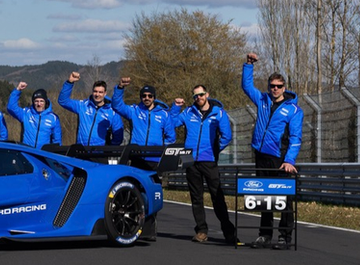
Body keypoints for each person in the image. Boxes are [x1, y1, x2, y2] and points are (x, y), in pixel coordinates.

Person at [243, 53, 303, 250]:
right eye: (272, 86)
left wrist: (290, 161)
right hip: (261, 155)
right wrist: (248, 65)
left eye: (278, 86)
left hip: (280, 158)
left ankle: (285, 236)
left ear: (284, 88)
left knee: (284, 199)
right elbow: (246, 86)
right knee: (264, 196)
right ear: (268, 87)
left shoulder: (293, 110)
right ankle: (264, 235)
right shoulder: (262, 100)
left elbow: (295, 138)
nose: (275, 89)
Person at [110, 77, 175, 241]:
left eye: (149, 96)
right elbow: (116, 105)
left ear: (154, 97)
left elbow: (171, 137)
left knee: (152, 194)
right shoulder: (134, 110)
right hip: (136, 159)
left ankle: (150, 227)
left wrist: (160, 151)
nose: (146, 98)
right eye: (144, 95)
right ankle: (134, 226)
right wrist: (119, 88)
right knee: (136, 193)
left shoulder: (164, 115)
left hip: (153, 161)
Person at [171, 85, 237, 244]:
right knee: (196, 198)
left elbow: (227, 136)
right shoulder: (188, 112)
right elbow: (171, 123)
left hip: (209, 160)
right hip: (190, 159)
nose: (198, 98)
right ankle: (201, 230)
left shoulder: (218, 113)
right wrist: (175, 108)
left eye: (200, 95)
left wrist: (214, 150)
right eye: (195, 96)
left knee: (217, 196)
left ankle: (229, 231)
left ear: (207, 94)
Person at [58, 71, 123, 146]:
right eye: (95, 91)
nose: (97, 94)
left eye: (100, 92)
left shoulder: (112, 111)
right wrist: (70, 82)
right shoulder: (83, 106)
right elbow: (63, 101)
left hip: (101, 154)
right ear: (92, 92)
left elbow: (118, 135)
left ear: (105, 93)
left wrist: (108, 149)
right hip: (81, 151)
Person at [7, 82, 62, 148]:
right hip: (26, 152)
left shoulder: (54, 118)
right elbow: (11, 107)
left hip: (43, 155)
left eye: (41, 101)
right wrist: (18, 90)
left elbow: (57, 141)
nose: (39, 104)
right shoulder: (26, 113)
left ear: (46, 102)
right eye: (36, 101)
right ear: (33, 102)